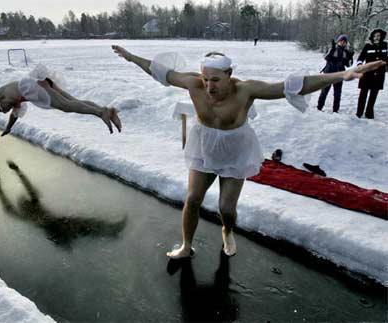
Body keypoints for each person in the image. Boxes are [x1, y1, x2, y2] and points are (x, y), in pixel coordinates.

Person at [112, 44, 385, 259]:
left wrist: (342, 74)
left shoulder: (245, 90)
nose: (209, 86)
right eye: (206, 79)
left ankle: (227, 229)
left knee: (225, 208)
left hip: (235, 150)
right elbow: (160, 71)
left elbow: (292, 86)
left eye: (216, 80)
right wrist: (131, 57)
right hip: (204, 147)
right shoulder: (193, 83)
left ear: (230, 76)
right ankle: (186, 245)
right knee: (193, 197)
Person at [0, 77, 122, 136]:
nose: (6, 109)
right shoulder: (14, 105)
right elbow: (14, 116)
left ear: (0, 102)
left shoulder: (0, 94)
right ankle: (108, 111)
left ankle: (100, 112)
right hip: (42, 83)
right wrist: (8, 128)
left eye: (2, 108)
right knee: (73, 101)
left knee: (66, 106)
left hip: (32, 85)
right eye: (6, 110)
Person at [317, 34, 354, 112]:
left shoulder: (346, 52)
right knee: (324, 92)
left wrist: (350, 57)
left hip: (340, 75)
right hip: (328, 74)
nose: (342, 43)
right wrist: (332, 50)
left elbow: (348, 65)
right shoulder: (333, 49)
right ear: (338, 41)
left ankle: (335, 110)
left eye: (344, 42)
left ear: (346, 43)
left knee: (337, 93)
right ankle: (319, 108)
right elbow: (326, 58)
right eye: (341, 41)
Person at [356, 28, 387, 119]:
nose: (377, 37)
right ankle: (359, 112)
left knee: (373, 94)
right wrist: (360, 64)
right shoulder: (368, 46)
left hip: (379, 74)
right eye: (375, 36)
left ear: (381, 36)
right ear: (372, 37)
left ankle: (369, 113)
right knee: (363, 93)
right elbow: (361, 57)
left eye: (378, 35)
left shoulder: (386, 45)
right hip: (367, 73)